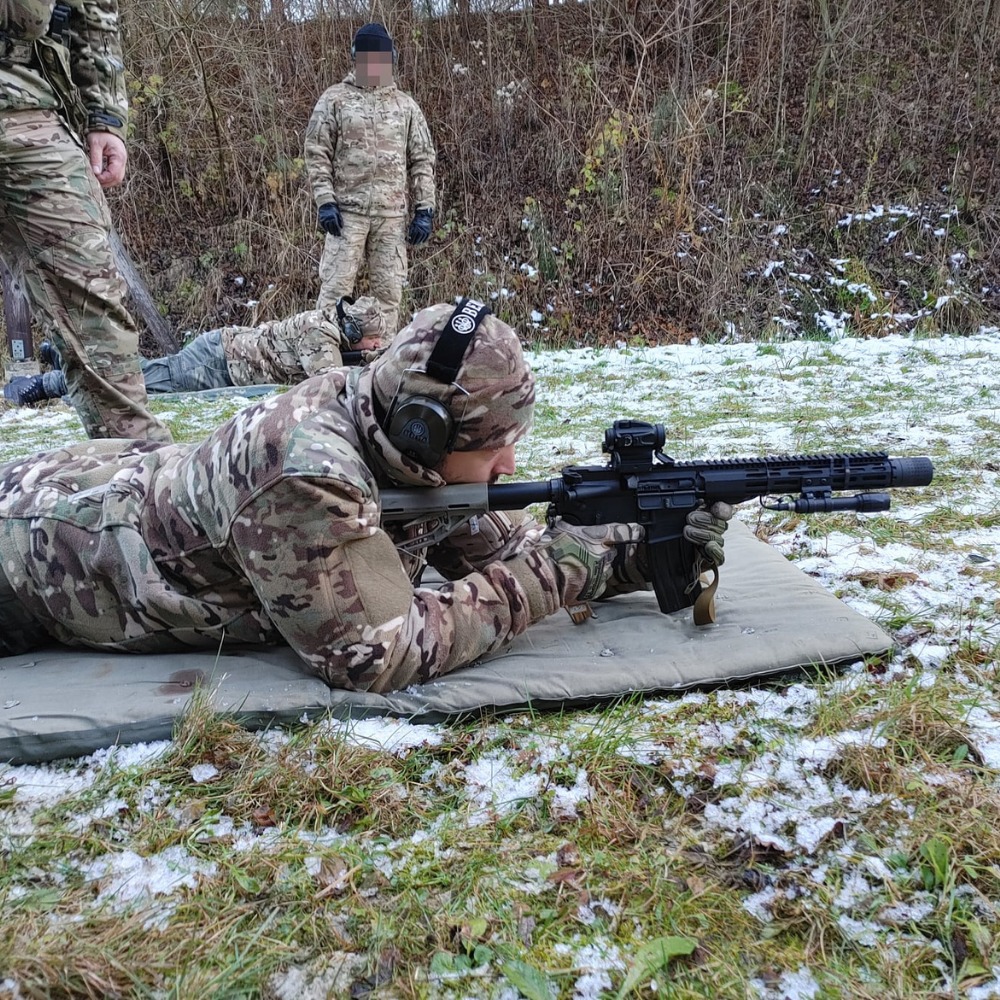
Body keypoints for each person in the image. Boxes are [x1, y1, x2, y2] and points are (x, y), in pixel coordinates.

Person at [0, 299, 731, 691]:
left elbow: (505, 556)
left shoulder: (393, 432)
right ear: (426, 433)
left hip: (108, 486)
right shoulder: (306, 474)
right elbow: (374, 657)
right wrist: (561, 570)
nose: (512, 460)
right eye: (495, 446)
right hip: (33, 560)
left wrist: (633, 553)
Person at [0, 0, 171, 442]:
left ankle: (144, 478)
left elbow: (95, 10)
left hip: (25, 100)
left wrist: (104, 113)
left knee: (95, 304)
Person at [304, 21, 436, 339]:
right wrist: (325, 201)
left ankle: (380, 360)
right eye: (368, 58)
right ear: (356, 59)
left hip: (390, 217)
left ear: (390, 59)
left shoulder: (405, 106)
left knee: (388, 294)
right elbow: (316, 151)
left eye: (381, 58)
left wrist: (425, 209)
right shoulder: (334, 99)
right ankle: (323, 358)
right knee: (334, 289)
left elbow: (422, 159)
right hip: (346, 214)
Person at [3, 296, 386, 403]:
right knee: (141, 384)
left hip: (223, 354)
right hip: (219, 363)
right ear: (354, 331)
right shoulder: (321, 335)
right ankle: (51, 383)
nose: (376, 346)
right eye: (374, 340)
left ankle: (69, 355)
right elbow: (332, 382)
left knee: (147, 371)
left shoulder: (333, 327)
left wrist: (373, 358)